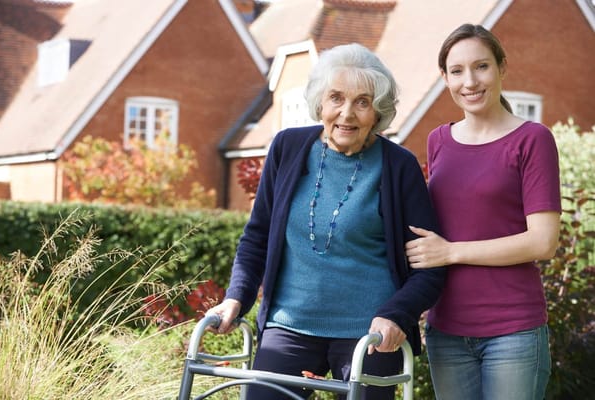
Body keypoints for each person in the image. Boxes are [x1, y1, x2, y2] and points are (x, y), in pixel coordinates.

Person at [206, 43, 446, 400]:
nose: (346, 113)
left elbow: (430, 268)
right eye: (336, 98)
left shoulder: (399, 166)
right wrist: (235, 297)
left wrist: (397, 315)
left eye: (362, 102)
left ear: (377, 111)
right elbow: (256, 237)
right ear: (320, 101)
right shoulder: (287, 148)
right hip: (289, 326)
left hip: (370, 333)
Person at [404, 24, 561, 400]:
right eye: (456, 71)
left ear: (502, 68)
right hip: (446, 330)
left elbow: (543, 241)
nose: (469, 81)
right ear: (444, 78)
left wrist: (452, 251)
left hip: (514, 331)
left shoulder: (532, 140)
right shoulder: (438, 140)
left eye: (481, 67)